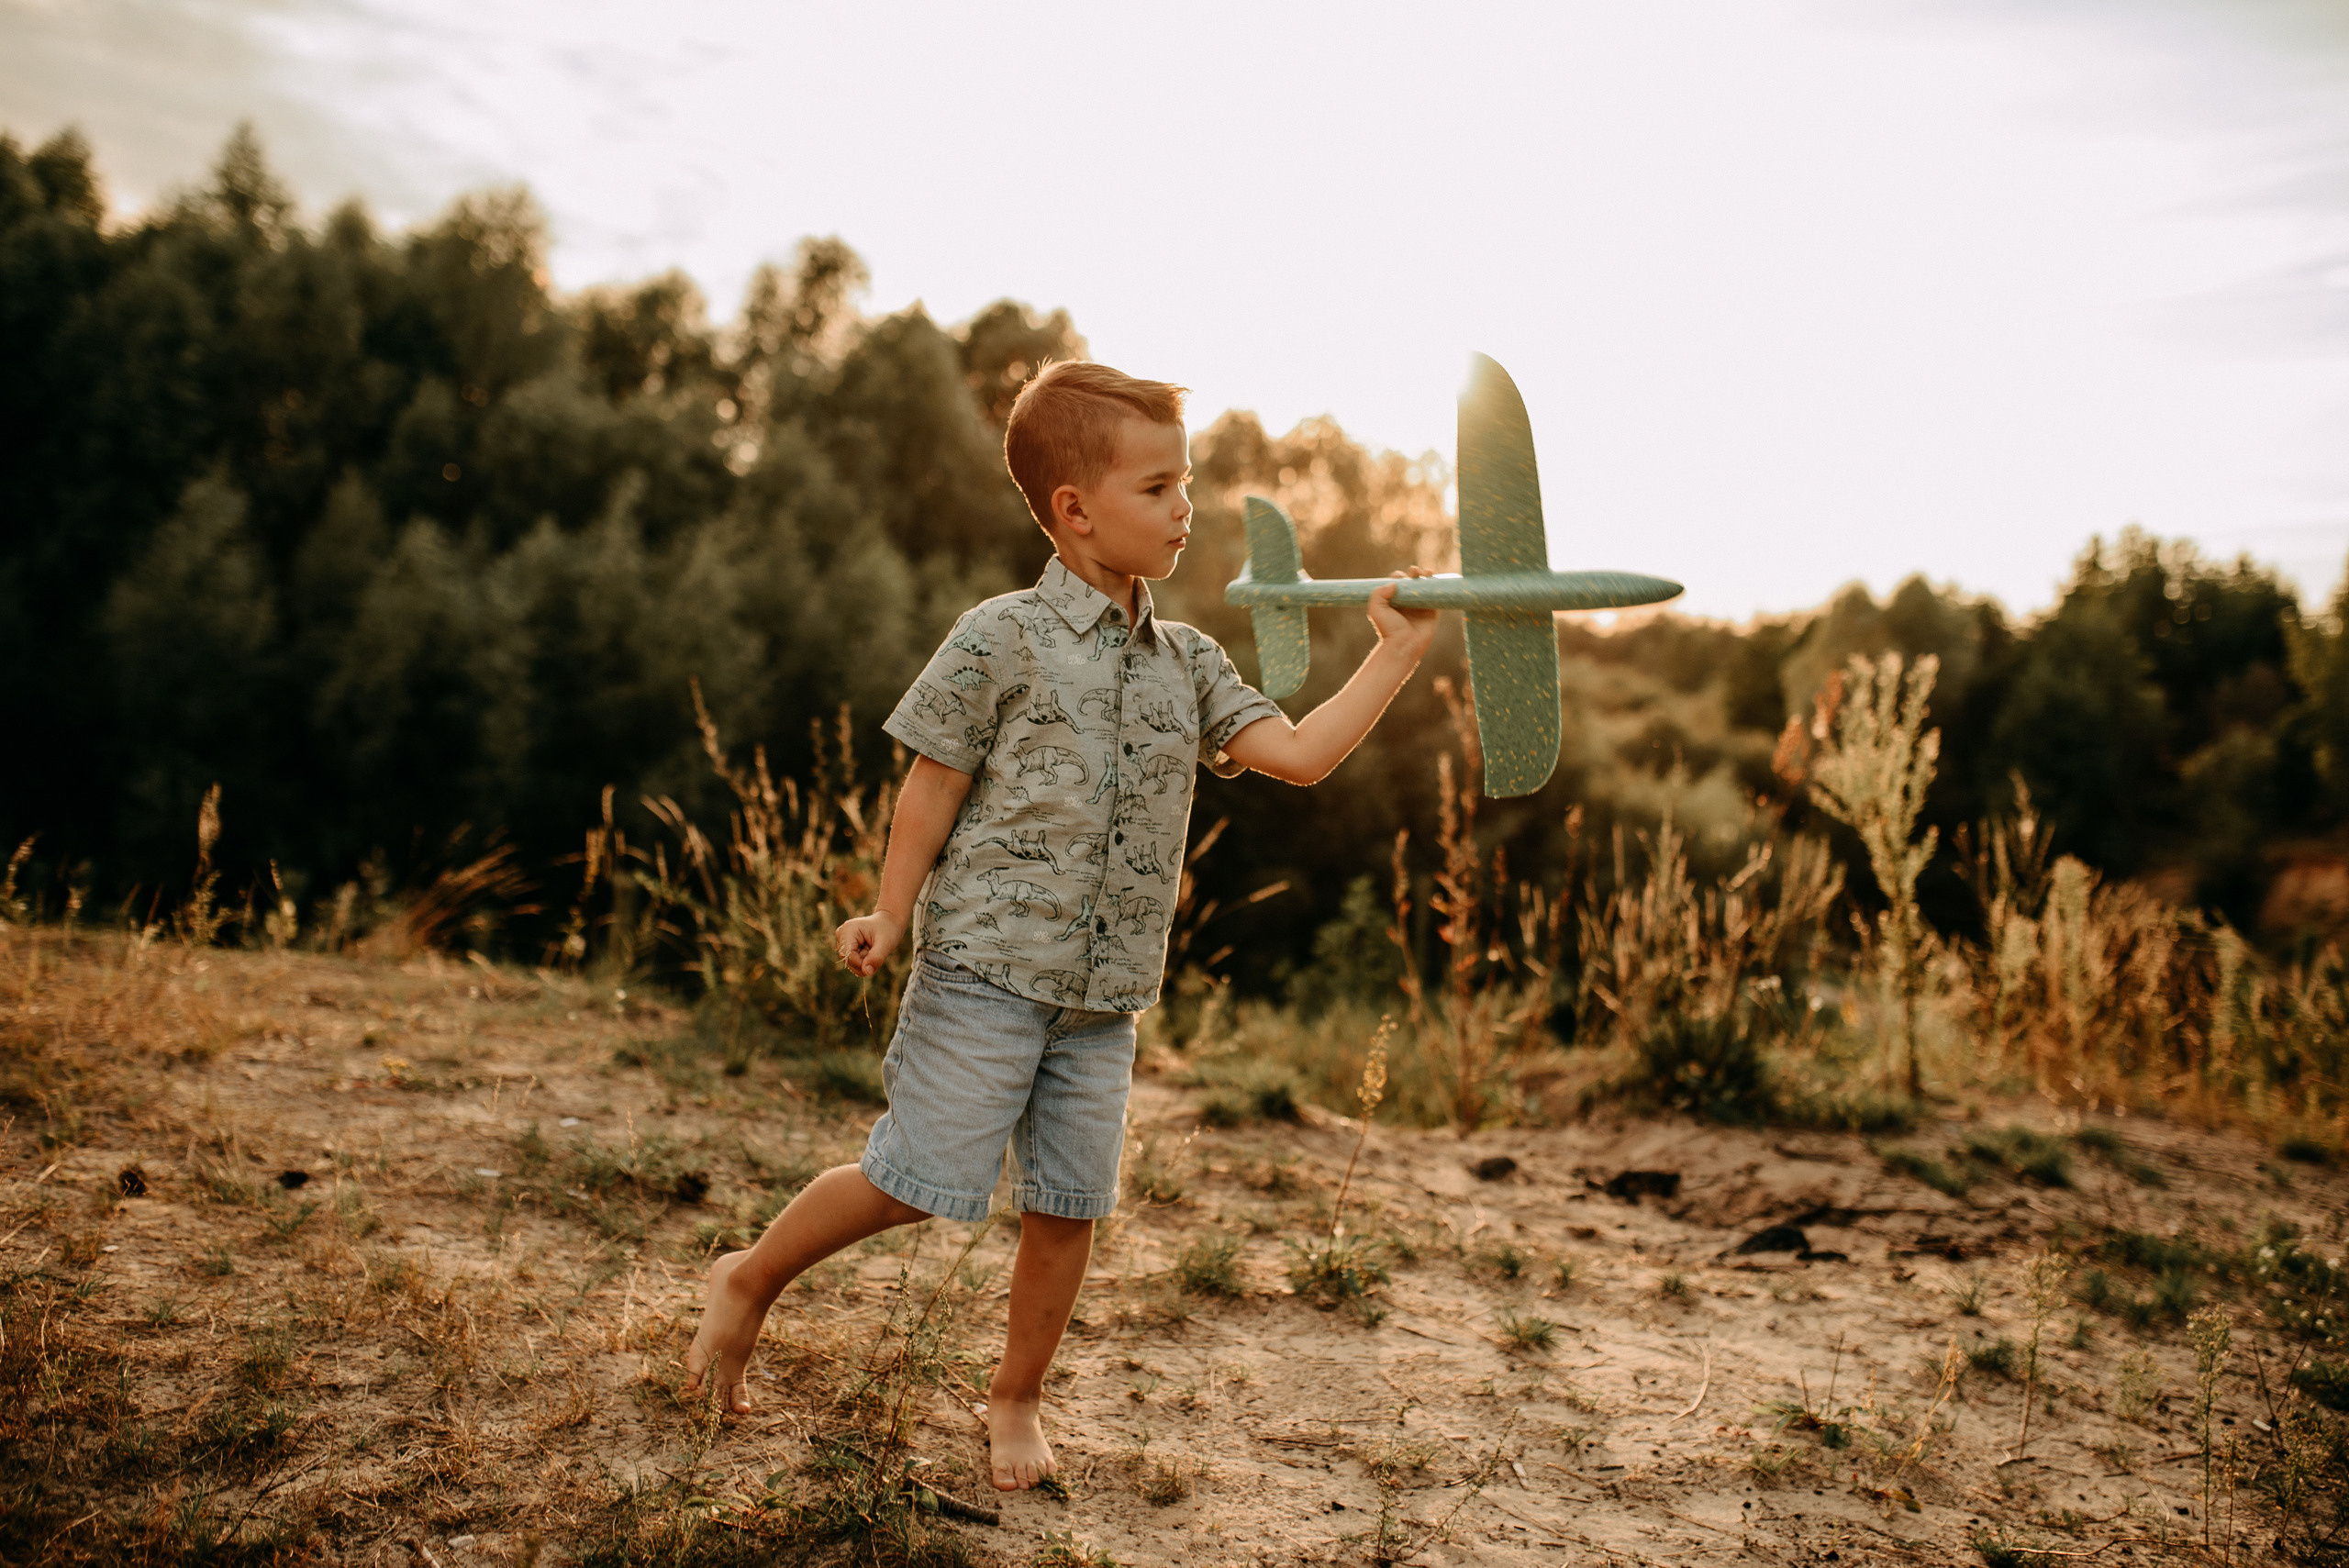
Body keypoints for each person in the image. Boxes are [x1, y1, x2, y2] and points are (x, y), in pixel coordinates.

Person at [684, 360, 1438, 1491]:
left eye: (1186, 481)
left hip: (1105, 997)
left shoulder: (1190, 661)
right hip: (984, 970)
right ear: (1076, 509)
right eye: (1158, 486)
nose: (1186, 507)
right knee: (909, 1179)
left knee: (1067, 1206)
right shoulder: (1002, 635)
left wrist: (1395, 651)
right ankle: (746, 1277)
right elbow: (929, 786)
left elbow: (1300, 755)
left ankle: (1015, 1395)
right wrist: (890, 908)